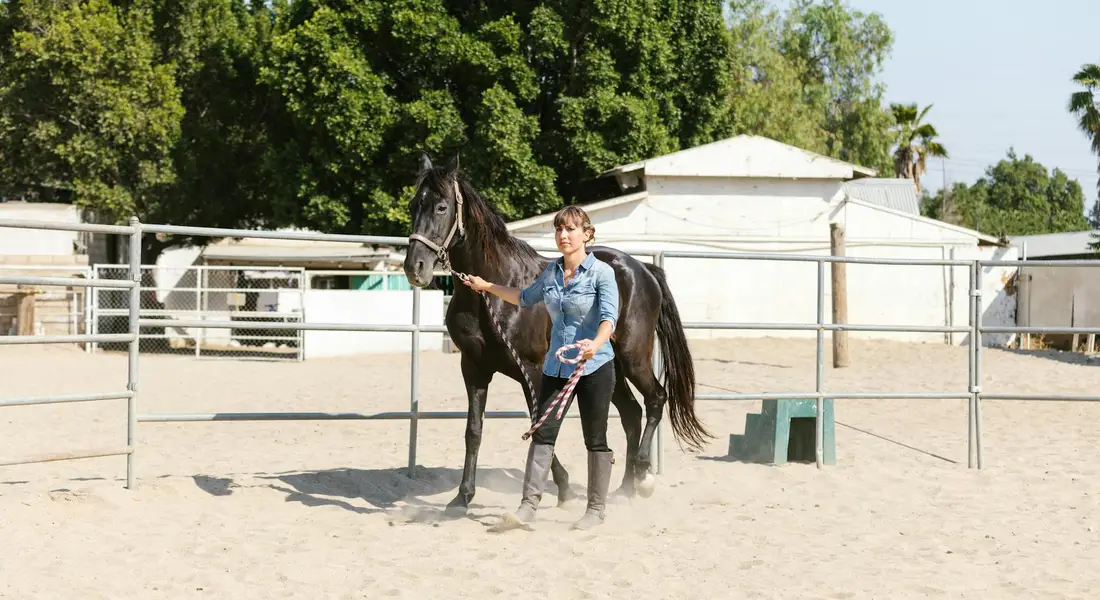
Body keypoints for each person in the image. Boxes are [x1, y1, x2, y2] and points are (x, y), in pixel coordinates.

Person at [461, 205, 619, 532]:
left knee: (595, 437)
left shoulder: (602, 274)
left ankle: (595, 508)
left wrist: (596, 343)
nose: (563, 235)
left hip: (594, 367)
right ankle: (528, 506)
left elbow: (609, 317)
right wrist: (486, 286)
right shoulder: (552, 273)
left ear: (587, 234)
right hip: (556, 367)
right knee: (543, 433)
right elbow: (523, 297)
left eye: (570, 229)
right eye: (559, 229)